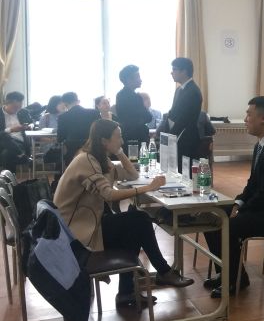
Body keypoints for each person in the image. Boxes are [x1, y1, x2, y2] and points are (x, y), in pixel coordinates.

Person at [53, 119, 192, 307]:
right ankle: (161, 273)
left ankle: (129, 291)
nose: (123, 141)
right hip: (76, 233)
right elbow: (109, 194)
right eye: (118, 137)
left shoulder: (99, 158)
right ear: (104, 140)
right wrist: (148, 188)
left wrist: (119, 151)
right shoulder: (86, 160)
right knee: (139, 219)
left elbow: (132, 175)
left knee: (134, 228)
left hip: (89, 223)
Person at [203, 97, 264, 298]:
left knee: (229, 225)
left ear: (263, 118)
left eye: (249, 114)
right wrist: (238, 202)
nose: (245, 119)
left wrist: (242, 210)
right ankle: (227, 272)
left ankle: (234, 280)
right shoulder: (262, 145)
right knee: (211, 215)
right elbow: (253, 184)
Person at [168, 57, 202, 168]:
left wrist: (170, 135)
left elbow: (184, 118)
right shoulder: (179, 90)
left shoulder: (193, 91)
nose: (171, 72)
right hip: (177, 136)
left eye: (174, 69)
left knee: (187, 172)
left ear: (184, 71)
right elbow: (173, 113)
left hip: (187, 138)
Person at [57, 92, 101, 165]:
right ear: (77, 100)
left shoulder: (63, 117)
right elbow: (100, 131)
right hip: (92, 149)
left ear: (65, 104)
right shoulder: (94, 113)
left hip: (72, 152)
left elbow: (60, 138)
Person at [116, 65, 152, 146]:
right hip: (137, 137)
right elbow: (148, 117)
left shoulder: (120, 95)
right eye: (138, 77)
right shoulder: (135, 97)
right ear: (129, 80)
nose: (140, 80)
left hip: (126, 134)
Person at [0, 91, 32, 170]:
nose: (17, 109)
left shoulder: (23, 112)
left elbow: (31, 123)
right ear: (7, 103)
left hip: (19, 143)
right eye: (15, 107)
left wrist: (29, 126)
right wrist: (11, 130)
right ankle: (22, 156)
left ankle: (8, 178)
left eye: (19, 107)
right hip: (2, 142)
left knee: (6, 154)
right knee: (5, 136)